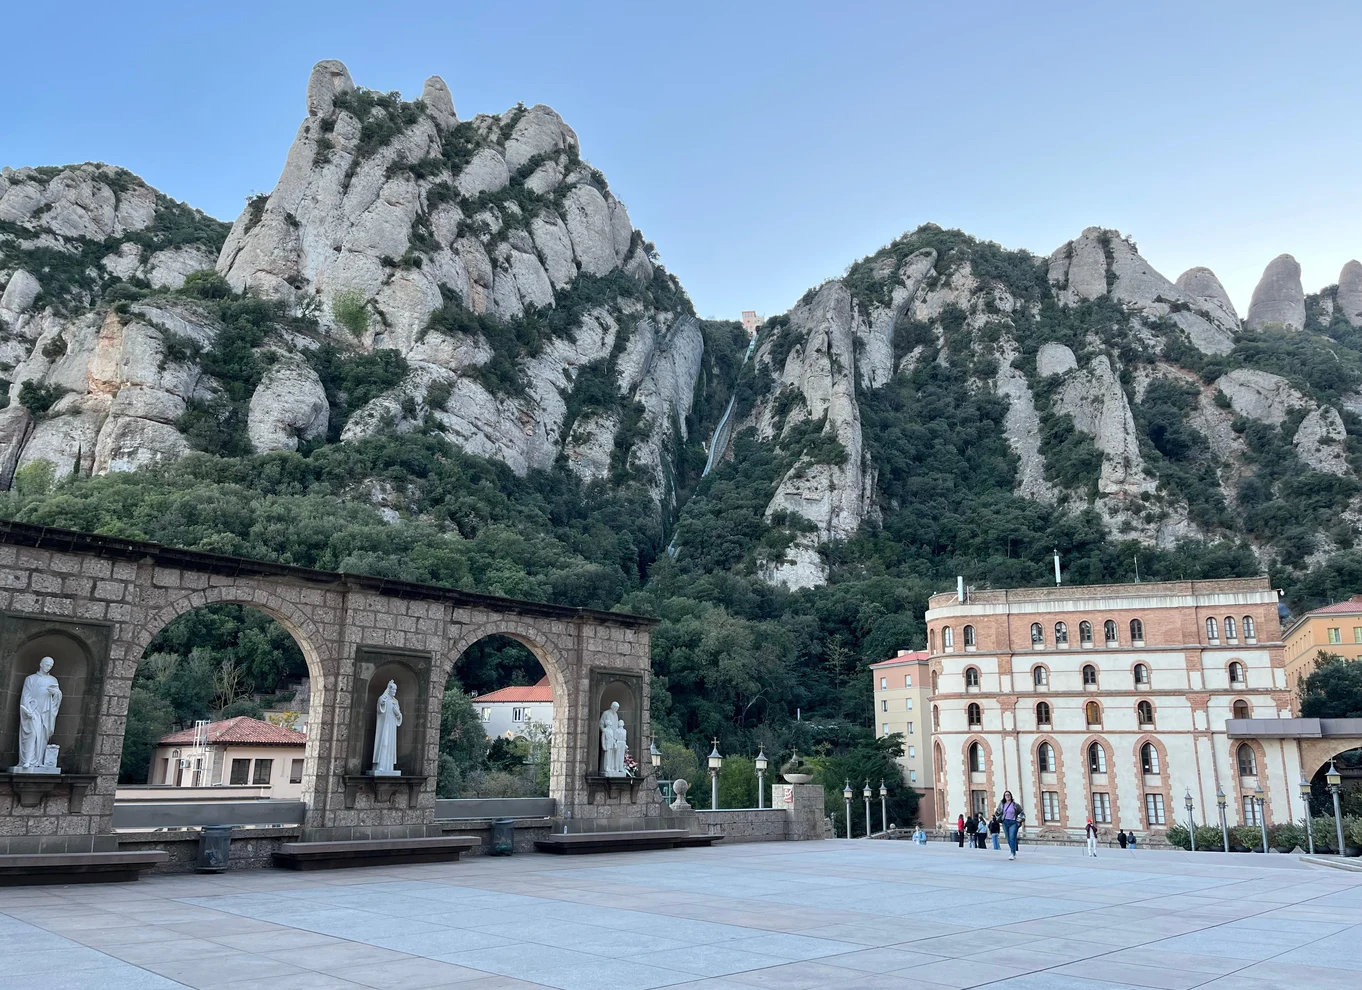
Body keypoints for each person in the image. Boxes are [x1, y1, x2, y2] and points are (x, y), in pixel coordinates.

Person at [994, 791, 1024, 860]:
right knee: (1008, 838)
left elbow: (1021, 813)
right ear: (1004, 797)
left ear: (1011, 796)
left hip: (1013, 822)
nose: (1007, 796)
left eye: (1008, 795)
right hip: (1005, 822)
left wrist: (1019, 819)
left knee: (1012, 837)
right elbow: (997, 812)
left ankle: (1012, 853)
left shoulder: (1015, 805)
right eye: (1006, 795)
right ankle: (1013, 851)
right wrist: (998, 814)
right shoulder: (1002, 804)